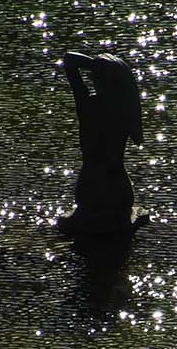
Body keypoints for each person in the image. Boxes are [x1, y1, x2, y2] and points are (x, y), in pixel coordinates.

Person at [58, 51, 142, 235]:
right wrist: (112, 69)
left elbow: (69, 59)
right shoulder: (124, 108)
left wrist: (97, 65)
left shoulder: (87, 105)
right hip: (118, 190)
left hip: (90, 188)